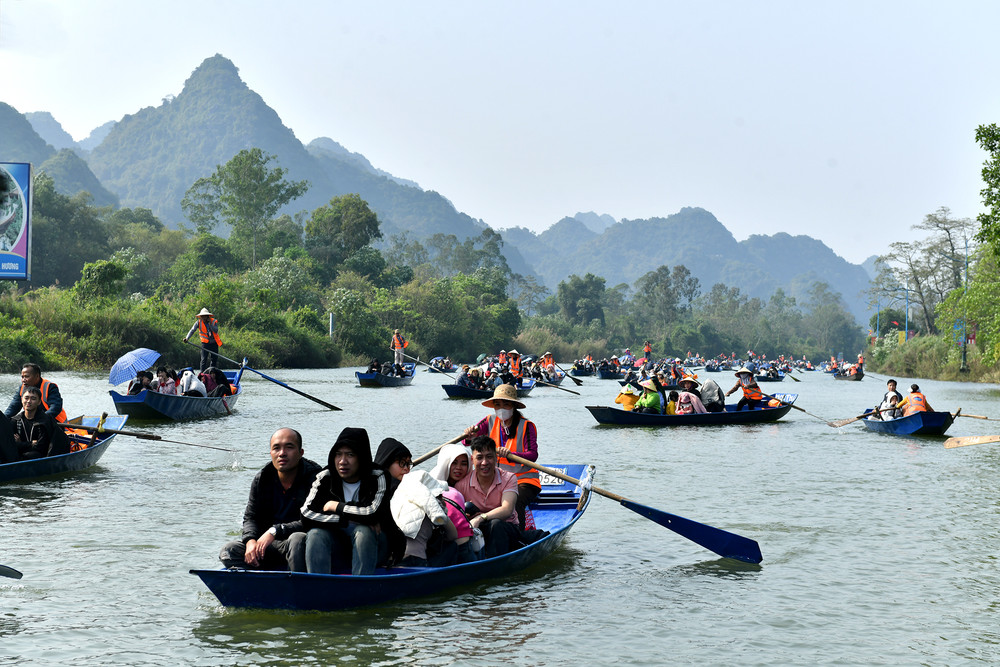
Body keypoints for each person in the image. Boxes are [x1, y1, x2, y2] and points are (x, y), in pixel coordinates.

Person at [219, 428, 322, 571]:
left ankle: (298, 587)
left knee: (297, 539)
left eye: (289, 447)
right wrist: (250, 541)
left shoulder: (316, 478)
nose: (282, 453)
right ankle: (260, 585)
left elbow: (314, 520)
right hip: (267, 545)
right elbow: (251, 517)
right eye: (276, 448)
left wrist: (275, 531)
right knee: (229, 550)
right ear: (271, 453)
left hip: (299, 544)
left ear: (301, 453)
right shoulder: (262, 479)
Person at [300, 427, 390, 576]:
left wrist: (337, 506)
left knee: (364, 531)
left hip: (375, 546)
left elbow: (373, 512)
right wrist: (345, 521)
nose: (343, 461)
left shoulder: (378, 476)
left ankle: (360, 588)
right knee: (316, 534)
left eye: (350, 455)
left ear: (361, 457)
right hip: (338, 545)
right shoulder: (325, 477)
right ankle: (319, 587)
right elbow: (306, 514)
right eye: (338, 455)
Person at [462, 384, 540, 531]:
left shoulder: (526, 425)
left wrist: (511, 455)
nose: (501, 407)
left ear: (513, 405)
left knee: (515, 503)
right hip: (495, 479)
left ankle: (519, 536)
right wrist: (469, 435)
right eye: (497, 404)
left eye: (506, 403)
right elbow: (468, 442)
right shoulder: (488, 420)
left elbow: (533, 455)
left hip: (523, 480)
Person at [454, 435, 522, 558]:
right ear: (472, 459)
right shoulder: (461, 484)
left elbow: (507, 509)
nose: (485, 463)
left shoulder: (509, 478)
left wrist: (480, 518)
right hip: (476, 530)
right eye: (479, 458)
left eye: (489, 457)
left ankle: (495, 562)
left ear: (496, 458)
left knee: (495, 524)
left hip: (506, 528)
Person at [430, 443, 481, 563]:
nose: (458, 468)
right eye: (454, 463)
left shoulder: (471, 485)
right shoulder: (433, 483)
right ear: (446, 463)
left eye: (464, 464)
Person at [374, 437, 413, 567]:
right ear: (387, 463)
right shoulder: (393, 487)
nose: (407, 468)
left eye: (408, 464)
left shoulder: (405, 486)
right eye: (402, 463)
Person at [8, 386, 71, 460]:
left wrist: (20, 444)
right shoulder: (15, 420)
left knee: (29, 455)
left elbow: (40, 447)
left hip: (41, 455)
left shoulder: (45, 421)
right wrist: (30, 444)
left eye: (33, 398)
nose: (29, 401)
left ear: (39, 402)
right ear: (22, 400)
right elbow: (11, 444)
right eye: (26, 398)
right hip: (24, 452)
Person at [183, 307, 223, 372]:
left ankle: (212, 374)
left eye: (205, 316)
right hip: (205, 344)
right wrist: (187, 338)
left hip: (214, 343)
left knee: (214, 359)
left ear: (208, 316)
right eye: (202, 316)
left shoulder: (213, 321)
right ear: (200, 317)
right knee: (203, 359)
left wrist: (210, 325)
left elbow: (216, 330)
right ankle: (202, 374)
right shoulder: (198, 322)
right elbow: (192, 330)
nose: (204, 318)